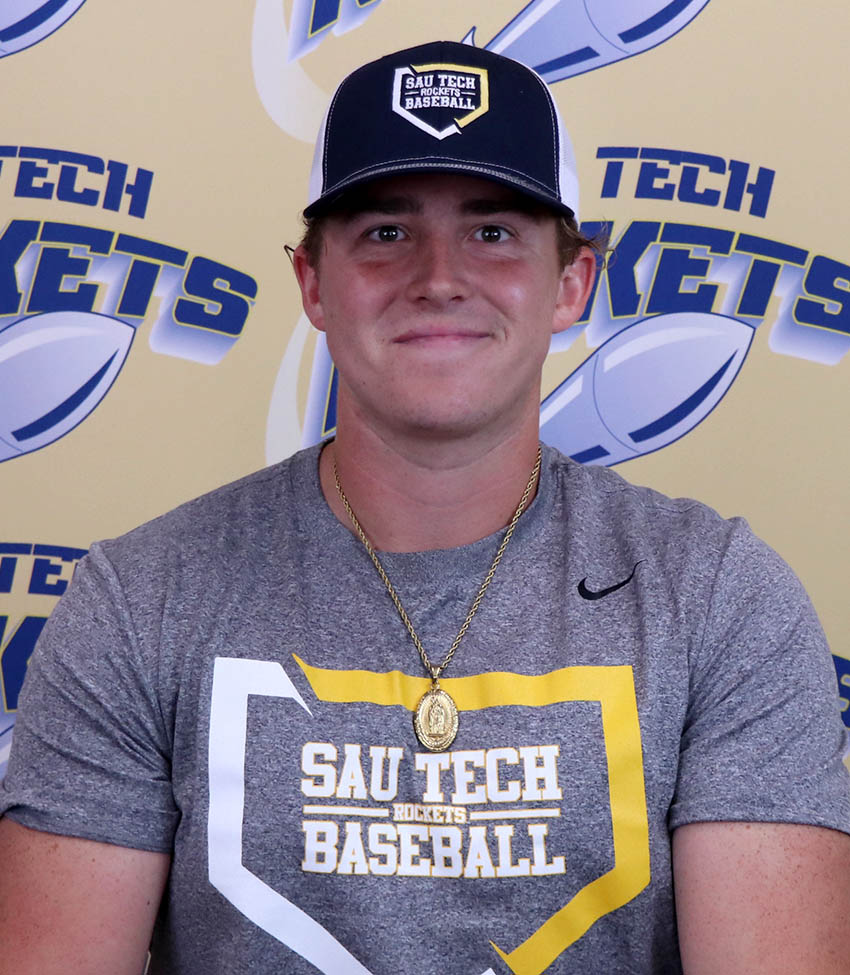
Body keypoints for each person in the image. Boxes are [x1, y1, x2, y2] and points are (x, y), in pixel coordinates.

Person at [1, 39, 849, 975]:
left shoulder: (721, 598)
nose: (439, 276)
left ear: (572, 282)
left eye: (493, 232)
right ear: (313, 283)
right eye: (385, 233)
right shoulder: (142, 598)